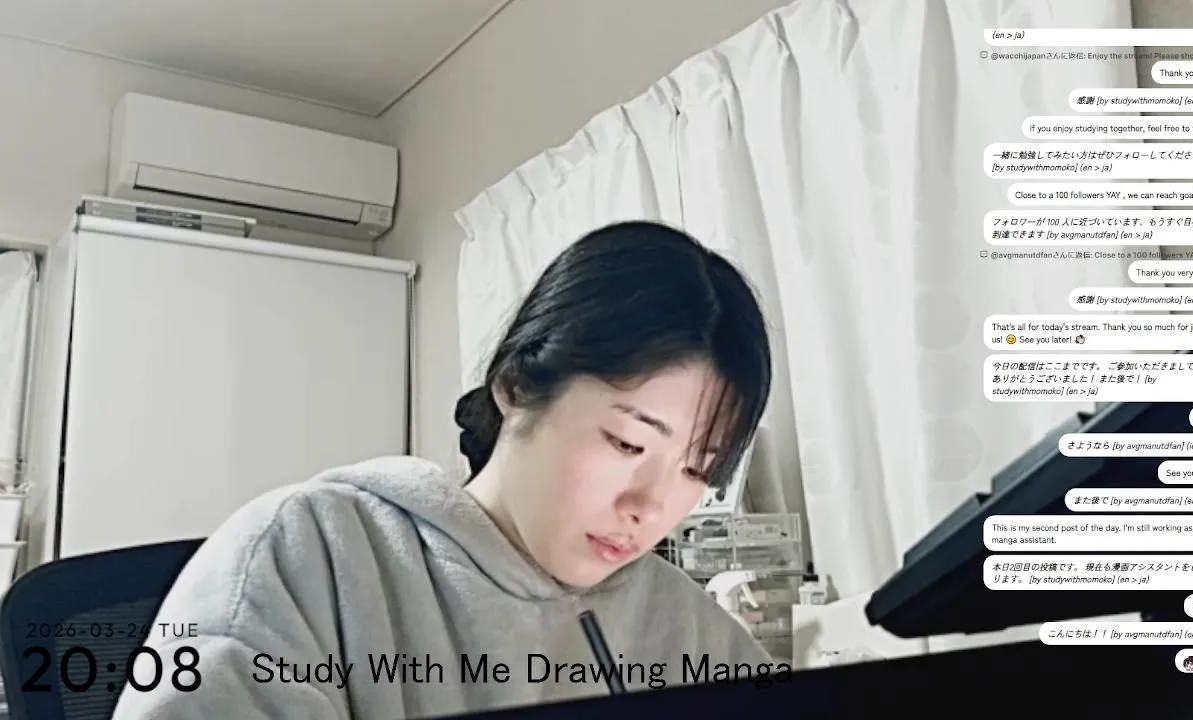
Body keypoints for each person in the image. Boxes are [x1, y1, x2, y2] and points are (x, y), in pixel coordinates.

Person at [112, 220, 777, 719]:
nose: (650, 506)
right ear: (516, 385)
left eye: (697, 470)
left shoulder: (692, 629)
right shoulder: (308, 555)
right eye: (627, 443)